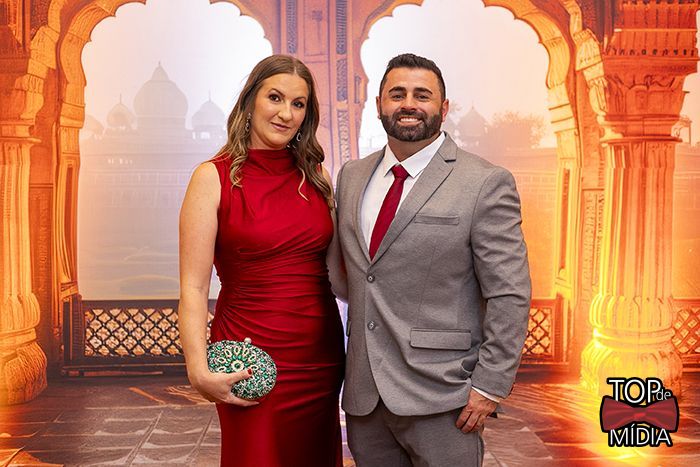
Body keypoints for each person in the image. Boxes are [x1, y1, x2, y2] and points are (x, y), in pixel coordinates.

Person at [333, 53, 531, 466]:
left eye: (422, 95)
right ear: (379, 105)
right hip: (366, 397)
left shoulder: (483, 182)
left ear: (443, 107)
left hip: (445, 394)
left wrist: (490, 385)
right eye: (397, 94)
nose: (409, 104)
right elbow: (355, 275)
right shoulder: (352, 176)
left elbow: (509, 293)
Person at [178, 54, 345, 467]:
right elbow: (194, 287)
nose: (286, 113)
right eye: (275, 98)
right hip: (250, 359)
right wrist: (197, 368)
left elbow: (340, 271)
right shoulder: (212, 177)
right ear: (251, 100)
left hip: (318, 357)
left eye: (298, 104)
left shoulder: (316, 177)